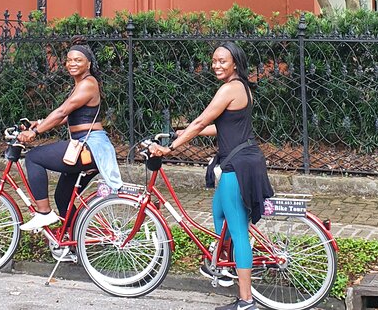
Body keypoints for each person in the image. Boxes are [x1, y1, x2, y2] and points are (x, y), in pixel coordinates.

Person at [149, 42, 273, 310]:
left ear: (235, 64)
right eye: (214, 61)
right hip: (244, 158)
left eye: (222, 61)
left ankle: (246, 300)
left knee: (238, 231)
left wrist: (170, 148)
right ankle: (227, 265)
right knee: (219, 212)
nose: (216, 65)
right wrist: (178, 134)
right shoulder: (243, 88)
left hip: (237, 166)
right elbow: (220, 127)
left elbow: (202, 122)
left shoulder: (230, 88)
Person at [17, 38, 123, 231]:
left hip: (90, 146)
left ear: (88, 64)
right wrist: (40, 123)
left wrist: (34, 132)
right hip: (86, 145)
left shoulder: (88, 84)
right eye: (69, 60)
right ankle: (75, 245)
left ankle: (43, 213)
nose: (72, 63)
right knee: (63, 197)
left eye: (78, 60)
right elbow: (66, 117)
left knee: (33, 157)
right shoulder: (81, 84)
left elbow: (62, 112)